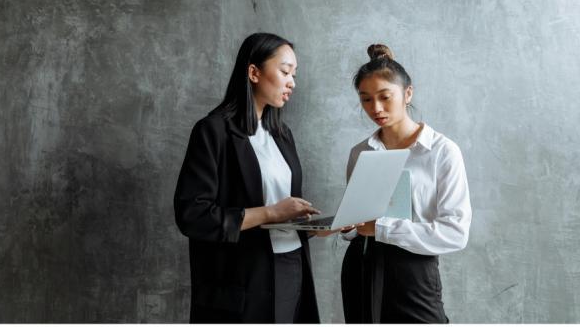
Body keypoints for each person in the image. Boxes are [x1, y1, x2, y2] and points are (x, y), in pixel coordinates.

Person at [174, 32, 326, 323]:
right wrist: (270, 213)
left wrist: (314, 226)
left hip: (292, 264)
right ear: (254, 72)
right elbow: (192, 215)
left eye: (294, 74)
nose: (292, 82)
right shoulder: (213, 131)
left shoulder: (282, 135)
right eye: (284, 72)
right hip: (242, 278)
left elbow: (283, 211)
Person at [340, 44, 472, 323]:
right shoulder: (360, 152)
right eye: (365, 99)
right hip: (362, 263)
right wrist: (347, 226)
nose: (375, 108)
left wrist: (381, 228)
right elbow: (358, 221)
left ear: (407, 93)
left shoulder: (441, 151)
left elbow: (455, 232)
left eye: (385, 97)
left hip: (413, 270)